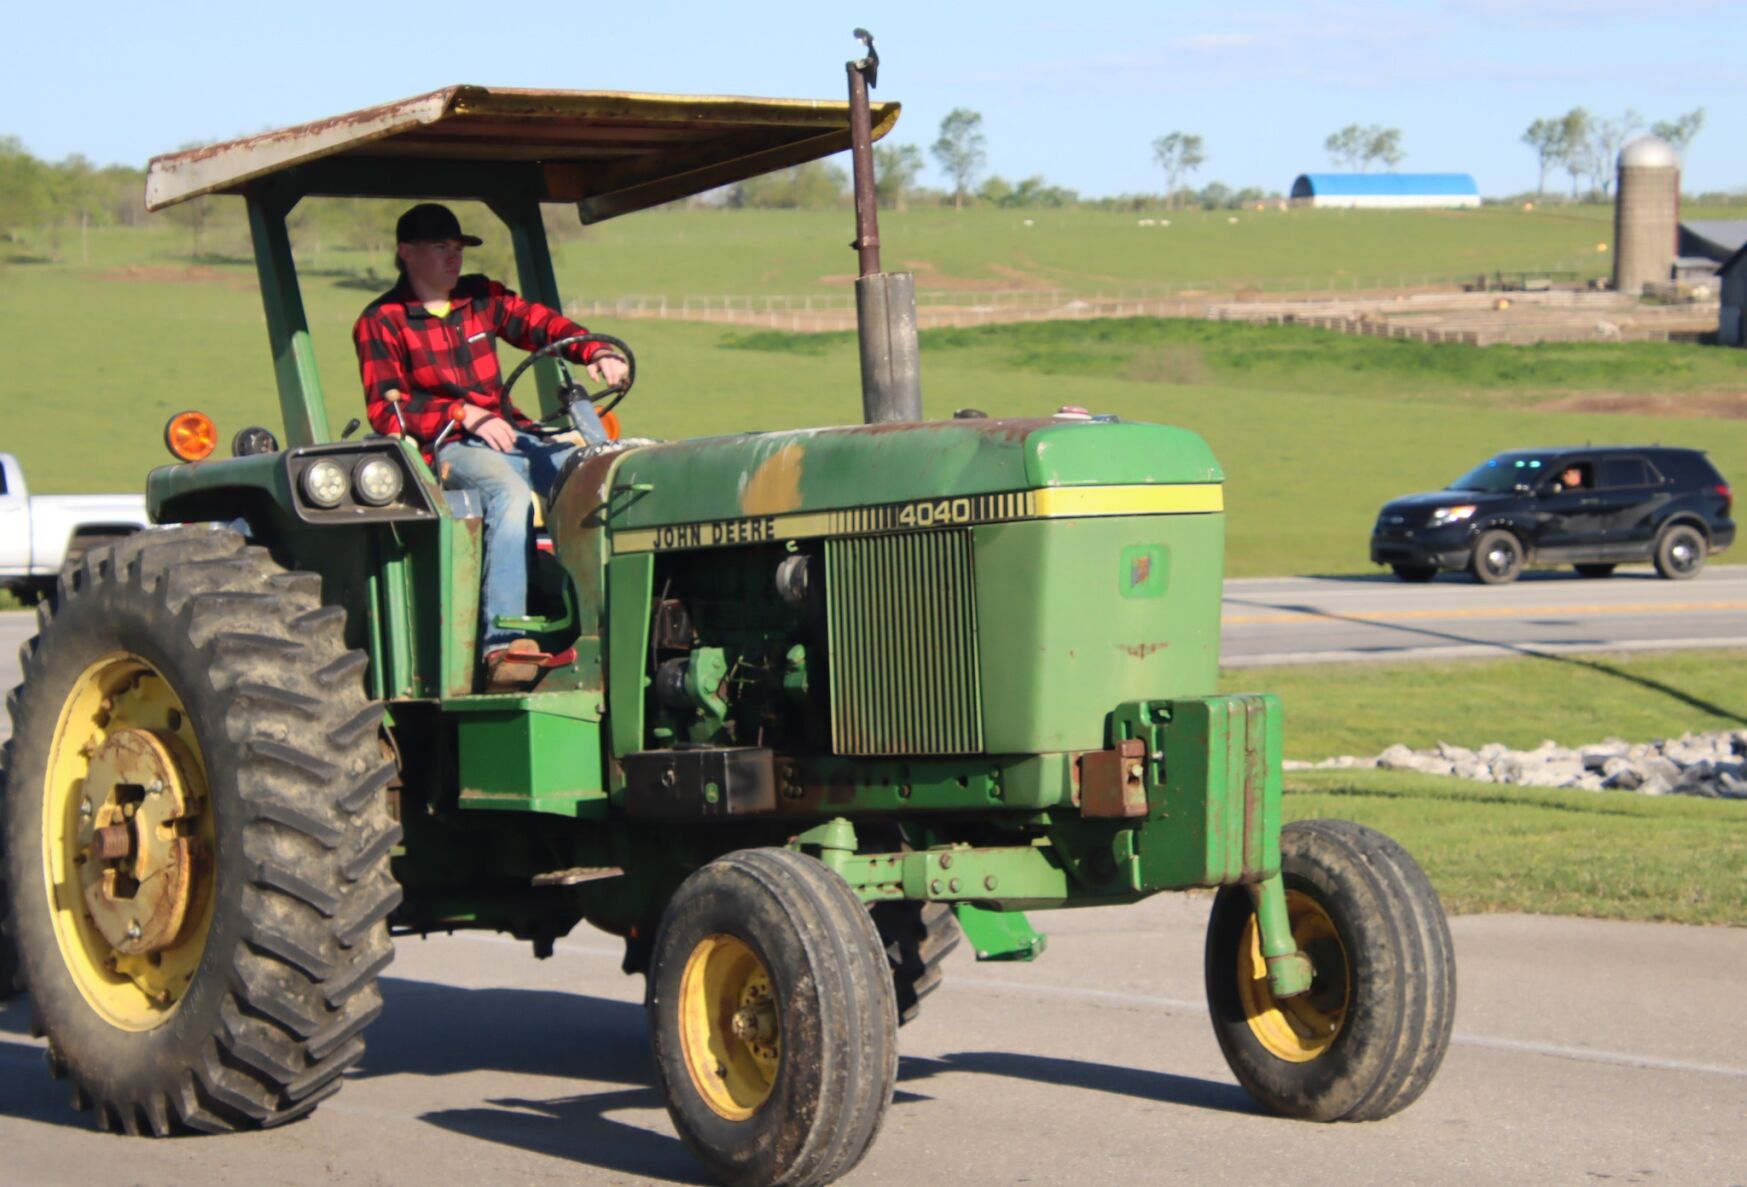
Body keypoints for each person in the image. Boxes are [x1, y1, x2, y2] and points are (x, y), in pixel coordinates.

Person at [352, 203, 629, 692]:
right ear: (406, 253)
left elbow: (541, 325)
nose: (453, 258)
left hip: (509, 433)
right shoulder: (382, 320)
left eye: (458, 248)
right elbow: (386, 410)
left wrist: (595, 350)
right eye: (441, 247)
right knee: (510, 494)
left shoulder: (482, 298)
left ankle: (609, 617)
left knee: (597, 475)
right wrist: (462, 413)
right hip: (448, 446)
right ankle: (505, 641)